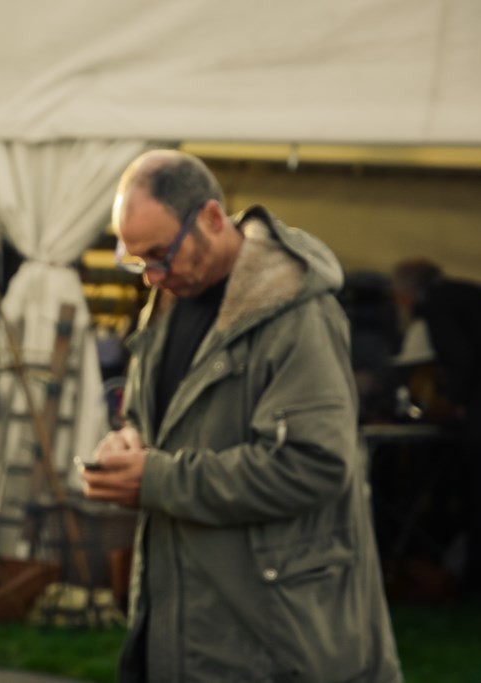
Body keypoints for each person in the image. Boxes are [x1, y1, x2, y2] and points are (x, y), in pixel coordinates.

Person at [81, 150, 402, 682]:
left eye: (159, 255)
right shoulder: (169, 297)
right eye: (137, 261)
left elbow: (315, 464)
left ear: (210, 218)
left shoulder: (297, 312)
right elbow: (150, 413)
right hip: (190, 627)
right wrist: (129, 439)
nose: (150, 278)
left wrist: (157, 479)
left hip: (272, 641)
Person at [391, 258, 481, 595]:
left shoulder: (439, 305)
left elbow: (462, 357)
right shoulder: (476, 293)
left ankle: (476, 584)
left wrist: (456, 402)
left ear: (408, 292)